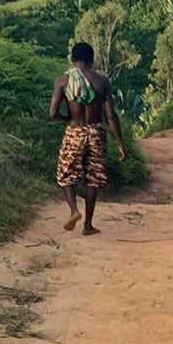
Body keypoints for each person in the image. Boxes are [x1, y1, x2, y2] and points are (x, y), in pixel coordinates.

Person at [50, 41, 127, 235]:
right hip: (96, 132)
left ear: (73, 59)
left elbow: (52, 112)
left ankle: (74, 210)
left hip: (74, 131)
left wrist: (66, 118)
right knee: (94, 177)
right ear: (91, 60)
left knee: (66, 174)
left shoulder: (63, 81)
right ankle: (88, 225)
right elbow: (111, 115)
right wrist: (120, 143)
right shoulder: (102, 82)